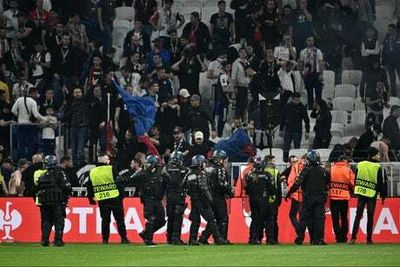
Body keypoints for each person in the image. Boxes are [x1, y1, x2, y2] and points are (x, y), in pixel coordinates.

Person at [117, 155, 171, 245]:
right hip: (148, 198)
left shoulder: (162, 173)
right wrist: (120, 179)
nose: (147, 165)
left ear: (154, 165)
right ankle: (148, 239)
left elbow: (170, 183)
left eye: (149, 163)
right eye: (147, 163)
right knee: (151, 218)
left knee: (162, 221)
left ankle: (145, 233)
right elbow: (130, 180)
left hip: (158, 200)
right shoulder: (142, 174)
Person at [182, 155, 227, 245]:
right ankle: (217, 238)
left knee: (195, 220)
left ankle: (192, 239)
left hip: (194, 200)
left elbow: (183, 185)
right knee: (211, 219)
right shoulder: (201, 174)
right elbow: (204, 188)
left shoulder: (189, 173)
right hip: (202, 200)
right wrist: (210, 200)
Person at [286, 150, 329, 245]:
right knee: (319, 218)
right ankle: (319, 239)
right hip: (320, 197)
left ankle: (300, 238)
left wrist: (289, 192)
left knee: (303, 218)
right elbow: (327, 183)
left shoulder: (306, 170)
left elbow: (297, 183)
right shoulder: (323, 171)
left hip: (308, 197)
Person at [87, 154, 130, 244]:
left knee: (105, 220)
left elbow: (89, 187)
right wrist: (121, 196)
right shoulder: (110, 168)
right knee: (119, 219)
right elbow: (119, 182)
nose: (109, 161)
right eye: (108, 159)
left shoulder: (92, 171)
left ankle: (105, 239)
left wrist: (91, 199)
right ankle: (123, 238)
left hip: (102, 199)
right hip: (115, 198)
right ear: (104, 161)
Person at [350, 147, 387, 244]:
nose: (379, 156)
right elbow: (380, 183)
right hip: (371, 194)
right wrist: (382, 195)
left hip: (361, 193)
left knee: (358, 215)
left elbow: (356, 179)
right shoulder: (377, 167)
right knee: (370, 216)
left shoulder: (360, 164)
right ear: (373, 155)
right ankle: (369, 239)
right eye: (377, 154)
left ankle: (353, 238)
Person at [198, 150, 234, 244]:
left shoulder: (206, 168)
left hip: (207, 197)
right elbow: (222, 184)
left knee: (212, 219)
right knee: (222, 218)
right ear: (221, 159)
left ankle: (204, 237)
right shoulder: (220, 169)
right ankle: (221, 238)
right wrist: (230, 192)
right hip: (218, 197)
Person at [35, 155, 72, 246]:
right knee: (59, 221)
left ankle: (44, 240)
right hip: (58, 201)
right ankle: (58, 240)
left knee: (46, 220)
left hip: (44, 202)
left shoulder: (42, 175)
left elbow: (37, 187)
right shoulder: (60, 173)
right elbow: (67, 186)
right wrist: (67, 193)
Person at [245, 157, 277, 245]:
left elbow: (247, 189)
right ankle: (270, 239)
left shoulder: (250, 175)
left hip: (253, 201)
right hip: (264, 200)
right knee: (268, 219)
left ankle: (253, 238)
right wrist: (272, 195)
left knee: (255, 219)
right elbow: (272, 188)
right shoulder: (267, 175)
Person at [329, 155, 355, 243]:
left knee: (335, 219)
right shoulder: (348, 170)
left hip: (333, 197)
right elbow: (352, 183)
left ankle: (338, 237)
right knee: (344, 218)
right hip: (344, 197)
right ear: (344, 161)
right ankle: (344, 237)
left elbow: (327, 181)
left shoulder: (331, 168)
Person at [165, 151, 188, 245]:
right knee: (178, 217)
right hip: (179, 196)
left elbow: (162, 183)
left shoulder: (165, 169)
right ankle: (176, 238)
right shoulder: (184, 170)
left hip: (169, 196)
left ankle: (169, 237)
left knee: (170, 217)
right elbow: (187, 183)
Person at [279, 93, 310, 162]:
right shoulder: (287, 106)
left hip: (297, 130)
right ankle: (285, 161)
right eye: (296, 100)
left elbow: (306, 119)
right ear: (292, 99)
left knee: (297, 148)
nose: (297, 101)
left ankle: (296, 162)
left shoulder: (302, 107)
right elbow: (282, 119)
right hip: (288, 130)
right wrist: (281, 129)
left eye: (298, 100)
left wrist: (307, 131)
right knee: (286, 147)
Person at [264, 155, 282, 244]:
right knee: (273, 220)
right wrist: (279, 201)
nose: (275, 163)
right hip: (273, 200)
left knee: (263, 220)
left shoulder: (262, 172)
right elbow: (278, 188)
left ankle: (259, 238)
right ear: (270, 162)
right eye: (274, 161)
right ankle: (273, 238)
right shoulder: (275, 172)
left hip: (263, 200)